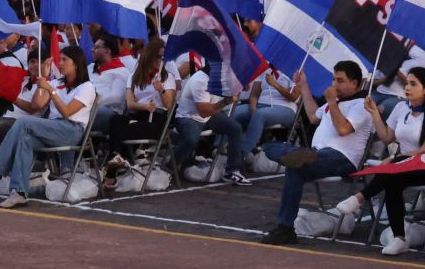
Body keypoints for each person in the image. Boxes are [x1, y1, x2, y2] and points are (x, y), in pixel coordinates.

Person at [325, 66, 425, 255]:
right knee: (393, 179)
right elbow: (386, 137)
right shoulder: (400, 108)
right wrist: (374, 113)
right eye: (406, 83)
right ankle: (399, 238)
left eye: (413, 84)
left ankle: (360, 198)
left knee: (392, 172)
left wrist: (395, 158)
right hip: (401, 168)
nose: (407, 87)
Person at [0, 43, 96, 208]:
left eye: (64, 60)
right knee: (25, 139)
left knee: (23, 122)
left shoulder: (87, 87)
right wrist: (45, 80)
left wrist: (52, 91)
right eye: (60, 59)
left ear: (76, 63)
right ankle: (18, 193)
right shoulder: (56, 83)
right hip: (53, 127)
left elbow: (67, 112)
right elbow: (37, 104)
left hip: (71, 130)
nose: (60, 63)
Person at [261, 61, 375, 246]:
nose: (334, 84)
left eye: (340, 80)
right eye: (333, 79)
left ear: (354, 83)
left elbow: (344, 129)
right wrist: (304, 86)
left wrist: (331, 101)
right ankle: (285, 227)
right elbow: (314, 116)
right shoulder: (337, 103)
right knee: (277, 152)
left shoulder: (362, 104)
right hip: (318, 154)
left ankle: (285, 226)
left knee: (296, 163)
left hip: (343, 158)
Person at [101, 37, 177, 190]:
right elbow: (130, 104)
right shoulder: (134, 77)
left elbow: (169, 105)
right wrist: (144, 106)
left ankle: (112, 167)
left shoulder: (167, 77)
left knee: (123, 130)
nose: (161, 60)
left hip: (157, 119)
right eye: (158, 56)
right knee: (116, 120)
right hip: (139, 114)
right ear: (149, 56)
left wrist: (161, 90)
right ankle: (116, 159)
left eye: (163, 57)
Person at [173, 55, 251, 185]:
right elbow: (203, 112)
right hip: (189, 117)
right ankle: (171, 166)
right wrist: (226, 101)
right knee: (192, 139)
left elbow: (237, 86)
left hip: (209, 116)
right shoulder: (200, 80)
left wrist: (242, 83)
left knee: (235, 128)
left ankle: (232, 170)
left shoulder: (221, 78)